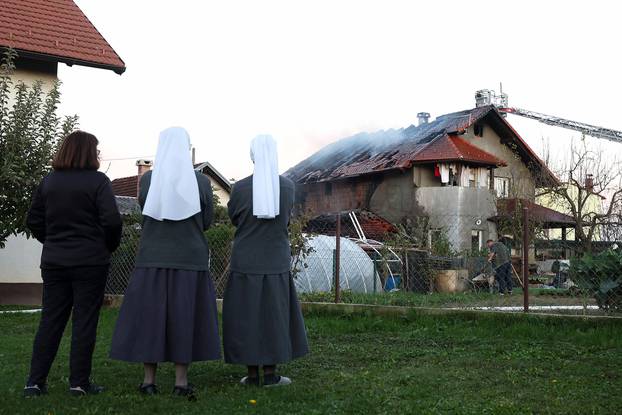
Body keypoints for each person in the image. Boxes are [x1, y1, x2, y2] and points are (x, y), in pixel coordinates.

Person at [110, 127, 220, 396]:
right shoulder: (202, 183)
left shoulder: (148, 181)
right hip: (190, 259)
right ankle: (181, 382)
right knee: (185, 317)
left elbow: (146, 213)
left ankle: (149, 381)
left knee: (151, 317)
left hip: (152, 258)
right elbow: (206, 221)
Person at [24, 131, 122, 397]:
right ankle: (79, 383)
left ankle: (34, 382)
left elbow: (33, 220)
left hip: (55, 261)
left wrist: (53, 241)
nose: (99, 154)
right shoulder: (99, 182)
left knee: (50, 321)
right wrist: (107, 246)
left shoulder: (49, 182)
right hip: (91, 261)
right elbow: (112, 220)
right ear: (89, 152)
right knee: (84, 322)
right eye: (97, 150)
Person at [223, 135, 309, 387]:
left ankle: (251, 374)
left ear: (252, 156)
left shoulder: (239, 188)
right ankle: (270, 374)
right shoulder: (287, 187)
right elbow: (285, 218)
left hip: (246, 260)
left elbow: (234, 218)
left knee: (246, 315)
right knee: (274, 315)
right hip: (275, 260)